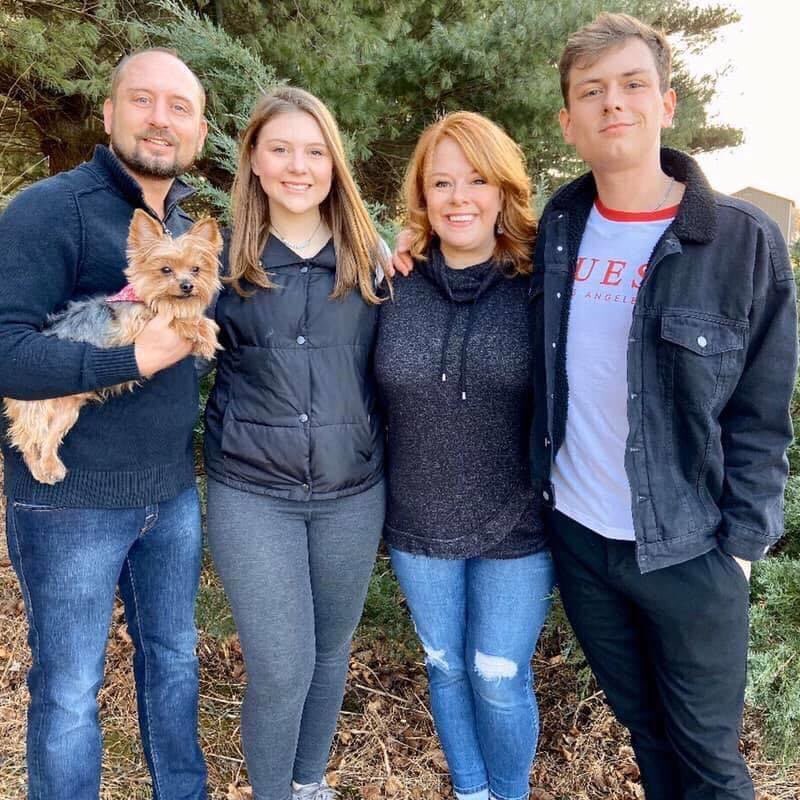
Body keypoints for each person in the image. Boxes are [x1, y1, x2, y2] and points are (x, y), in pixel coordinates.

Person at [530, 13, 797, 799]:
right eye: (591, 90)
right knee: (645, 733)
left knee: (709, 760)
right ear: (568, 122)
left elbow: (761, 413)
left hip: (690, 549)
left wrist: (739, 550)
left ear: (667, 104)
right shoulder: (559, 226)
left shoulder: (742, 241)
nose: (613, 102)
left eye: (632, 84)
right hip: (582, 539)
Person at [0, 49, 210, 799]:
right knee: (69, 689)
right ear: (109, 112)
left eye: (180, 107)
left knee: (174, 664)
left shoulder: (179, 229)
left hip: (171, 496)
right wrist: (130, 358)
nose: (160, 119)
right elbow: (6, 350)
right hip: (70, 504)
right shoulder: (47, 210)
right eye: (143, 100)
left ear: (199, 130)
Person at [203, 86, 387, 800]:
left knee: (330, 652)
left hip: (351, 492)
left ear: (335, 163)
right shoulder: (219, 263)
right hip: (253, 493)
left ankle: (309, 783)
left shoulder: (374, 261)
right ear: (253, 158)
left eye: (314, 151)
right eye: (280, 149)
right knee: (282, 667)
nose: (298, 166)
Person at [375, 111, 554, 800]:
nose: (459, 198)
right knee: (445, 667)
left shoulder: (541, 286)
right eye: (442, 182)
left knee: (498, 676)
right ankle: (470, 791)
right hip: (417, 519)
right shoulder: (391, 285)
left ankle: (508, 793)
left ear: (504, 188)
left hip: (517, 521)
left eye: (477, 180)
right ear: (422, 194)